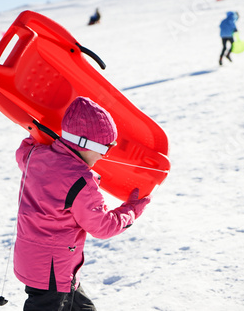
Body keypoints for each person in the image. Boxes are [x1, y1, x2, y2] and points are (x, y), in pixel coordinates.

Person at [14, 96, 151, 310]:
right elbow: (102, 226)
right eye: (105, 149)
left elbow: (25, 148)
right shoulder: (81, 181)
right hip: (53, 270)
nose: (105, 156)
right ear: (86, 145)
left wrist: (42, 131)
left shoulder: (35, 156)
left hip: (38, 261)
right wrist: (131, 210)